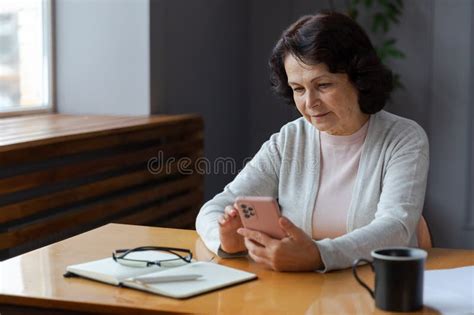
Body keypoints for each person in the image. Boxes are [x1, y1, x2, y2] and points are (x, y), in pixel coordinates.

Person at [195, 11, 429, 272]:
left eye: (324, 85)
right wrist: (227, 242)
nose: (309, 103)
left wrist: (317, 255)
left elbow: (395, 227)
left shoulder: (404, 138)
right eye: (298, 89)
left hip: (378, 287)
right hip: (303, 291)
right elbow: (214, 208)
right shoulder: (289, 140)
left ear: (359, 78)